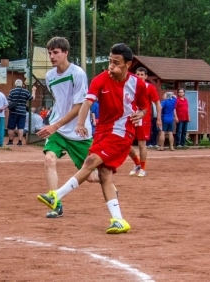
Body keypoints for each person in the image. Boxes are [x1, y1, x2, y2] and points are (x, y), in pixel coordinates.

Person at [37, 43, 148, 234]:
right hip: (102, 132)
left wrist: (142, 113)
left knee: (90, 162)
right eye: (110, 61)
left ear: (128, 65)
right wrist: (80, 123)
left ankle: (56, 196)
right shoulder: (100, 79)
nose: (111, 66)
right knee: (103, 175)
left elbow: (145, 106)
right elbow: (86, 103)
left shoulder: (137, 84)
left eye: (116, 62)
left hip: (121, 132)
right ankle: (118, 220)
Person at [36, 37, 98, 218]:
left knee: (92, 176)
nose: (52, 56)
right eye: (50, 53)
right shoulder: (49, 76)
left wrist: (55, 125)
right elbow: (59, 101)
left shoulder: (77, 73)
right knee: (49, 159)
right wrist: (54, 124)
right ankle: (56, 204)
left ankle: (108, 181)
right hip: (58, 129)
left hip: (78, 131)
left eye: (56, 52)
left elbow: (80, 106)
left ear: (66, 53)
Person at [128, 68, 162, 177]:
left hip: (144, 119)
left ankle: (142, 168)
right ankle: (137, 163)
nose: (140, 76)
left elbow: (157, 103)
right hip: (131, 117)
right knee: (126, 143)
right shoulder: (130, 86)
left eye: (142, 74)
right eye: (138, 74)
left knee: (141, 144)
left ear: (146, 76)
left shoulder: (150, 87)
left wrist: (159, 118)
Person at [6, 79, 35, 146]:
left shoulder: (12, 91)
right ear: (22, 84)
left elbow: (9, 100)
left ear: (15, 84)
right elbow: (32, 98)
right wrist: (34, 91)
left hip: (13, 112)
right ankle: (20, 141)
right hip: (22, 112)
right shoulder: (25, 91)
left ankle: (10, 141)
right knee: (21, 127)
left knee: (11, 127)